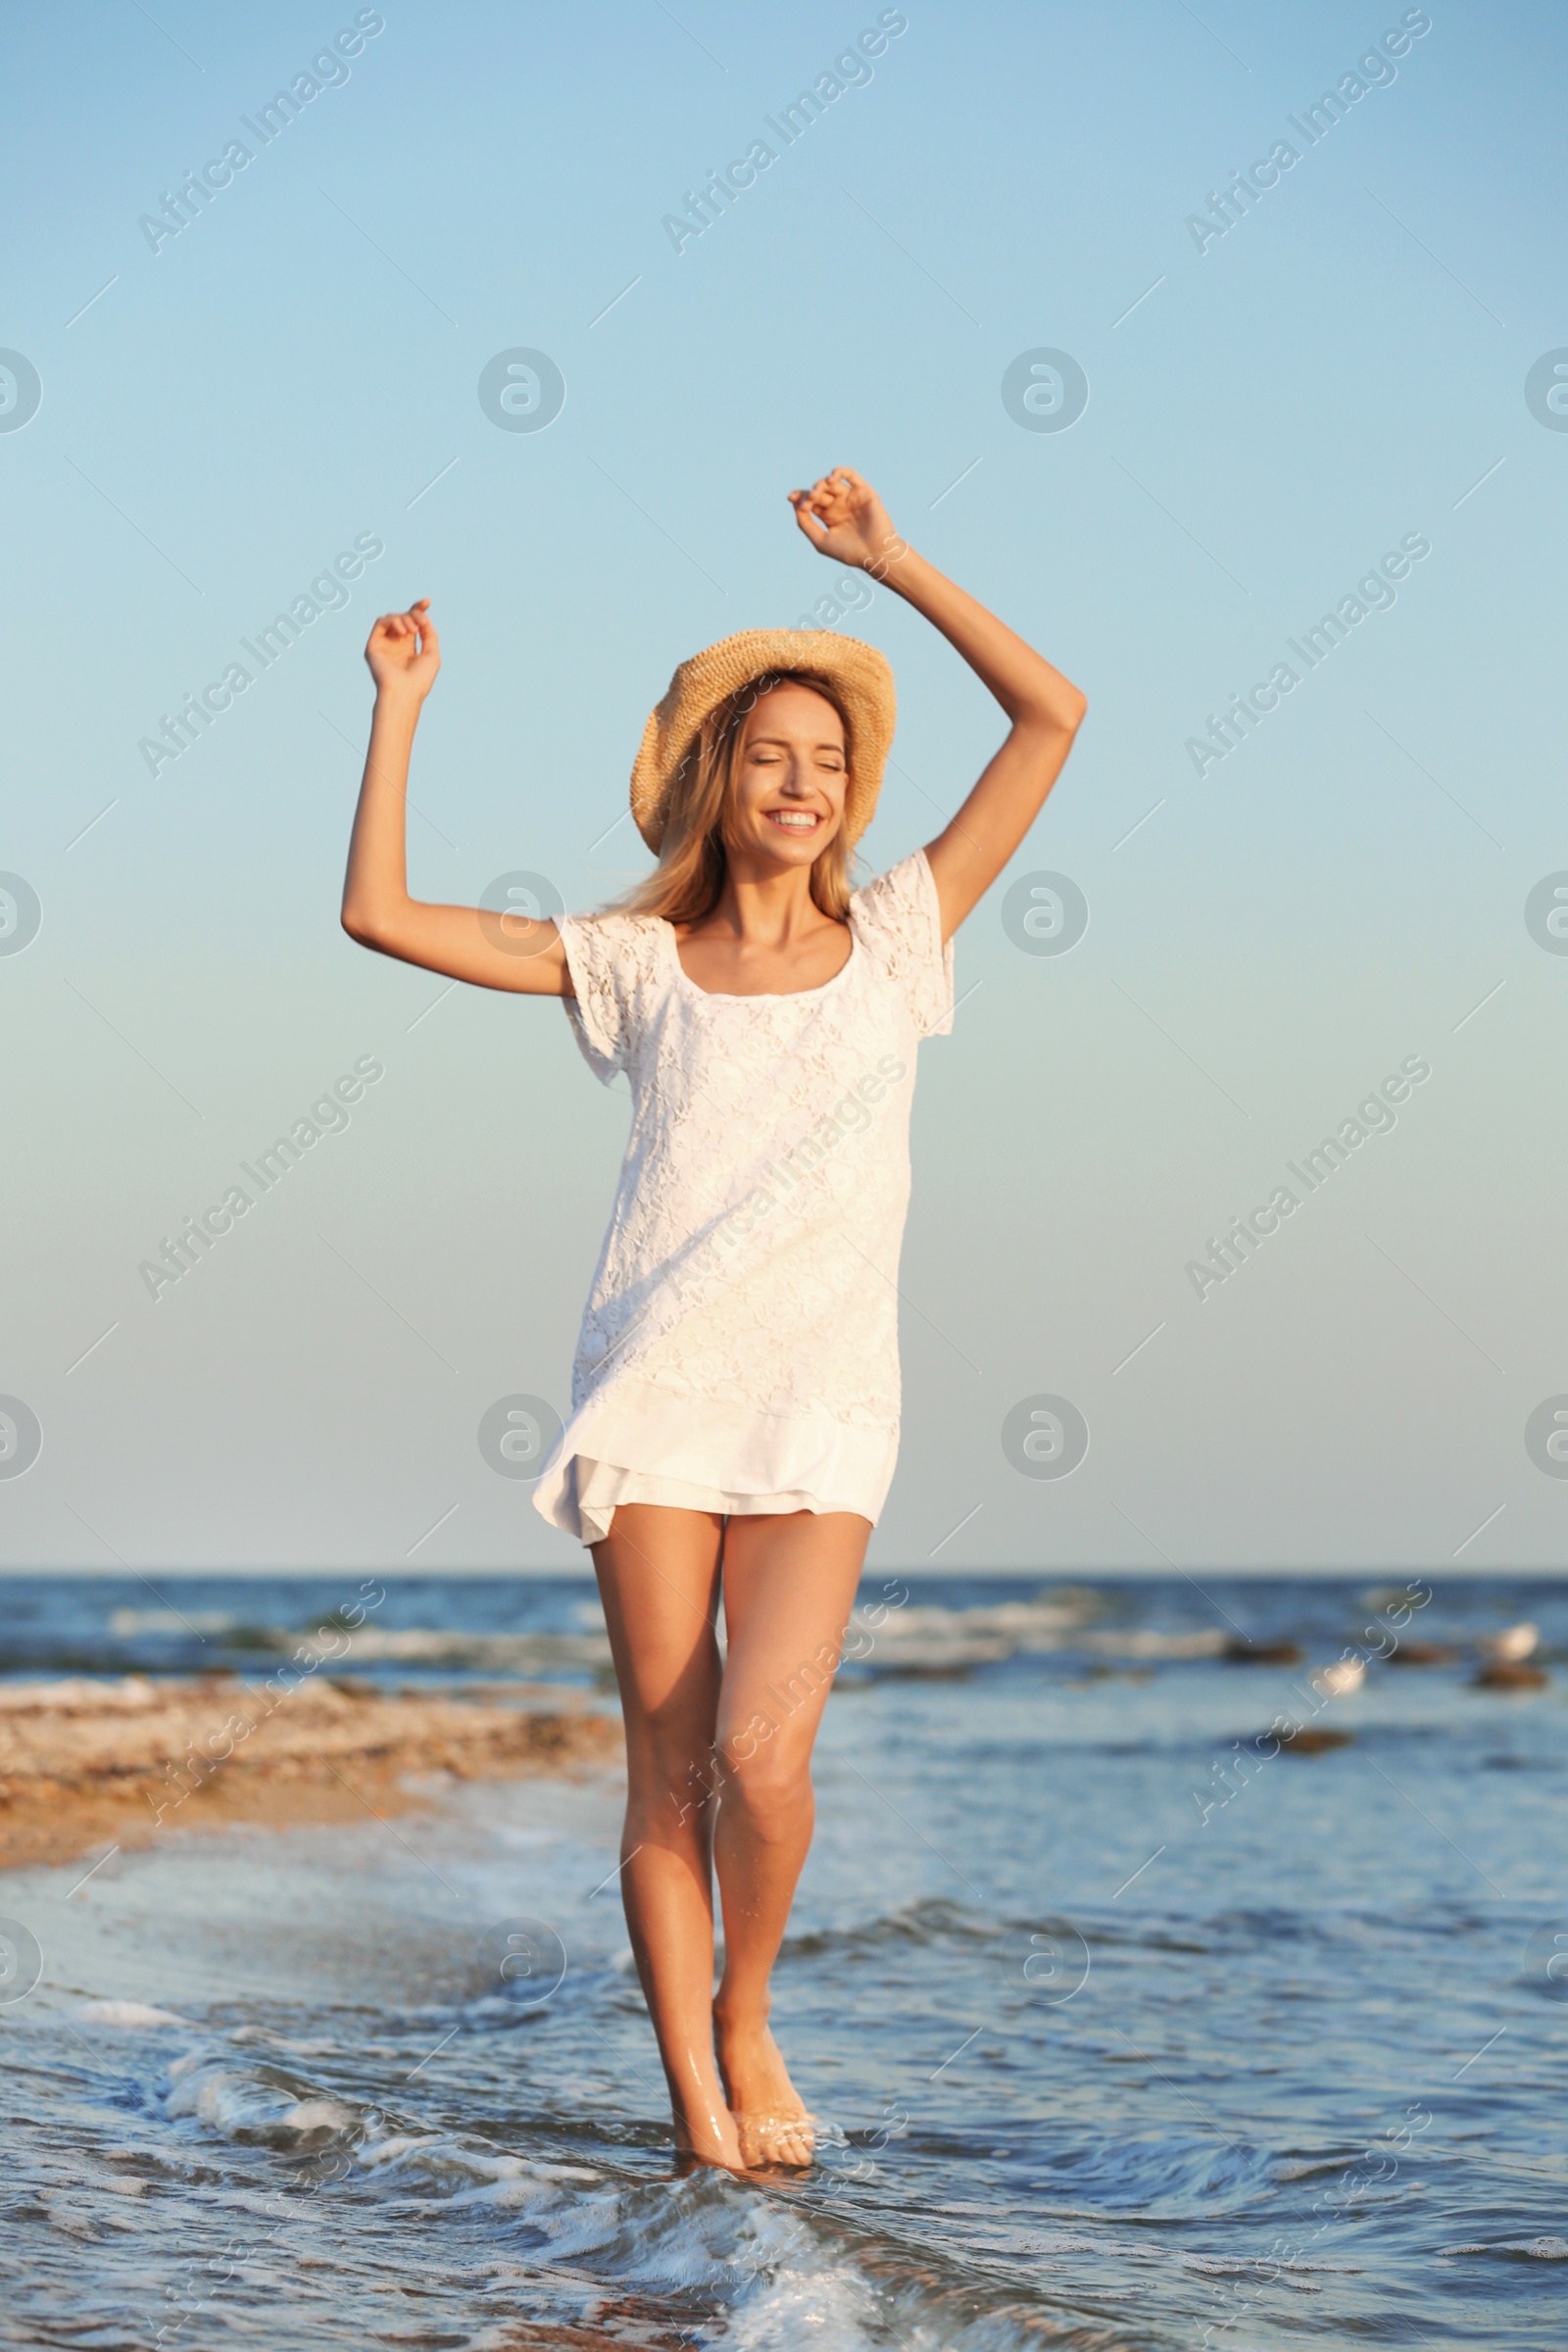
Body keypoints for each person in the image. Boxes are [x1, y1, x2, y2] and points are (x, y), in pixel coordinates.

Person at [341, 467, 1086, 2171]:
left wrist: (890, 564)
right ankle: (694, 2102)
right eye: (773, 757)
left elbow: (1053, 717)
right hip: (657, 1396)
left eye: (831, 763)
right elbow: (378, 916)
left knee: (766, 1759)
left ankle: (751, 2007)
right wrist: (398, 713)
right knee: (668, 1769)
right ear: (716, 784)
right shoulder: (633, 962)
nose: (806, 785)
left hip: (825, 1401)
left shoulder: (903, 941)